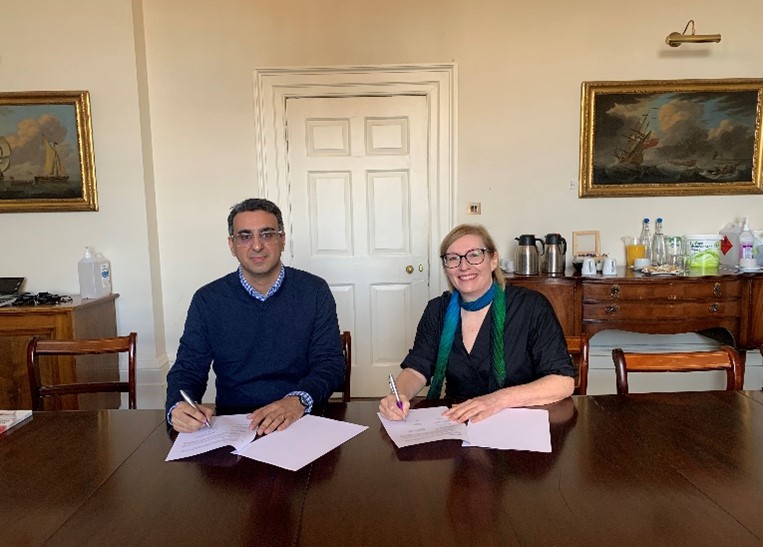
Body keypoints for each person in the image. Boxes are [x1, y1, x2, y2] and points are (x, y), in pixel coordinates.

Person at [166, 198, 345, 434]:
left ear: (282, 240)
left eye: (267, 234)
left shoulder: (314, 291)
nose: (257, 246)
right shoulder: (208, 300)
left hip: (301, 420)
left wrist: (298, 400)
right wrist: (178, 407)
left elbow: (330, 364)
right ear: (232, 245)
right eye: (245, 236)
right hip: (237, 424)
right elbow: (188, 368)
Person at [379, 224, 575, 423]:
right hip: (457, 423)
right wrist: (398, 395)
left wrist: (495, 401)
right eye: (453, 258)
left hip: (519, 422)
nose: (464, 266)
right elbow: (417, 368)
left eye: (474, 255)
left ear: (493, 260)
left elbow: (562, 382)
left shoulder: (531, 306)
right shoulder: (437, 310)